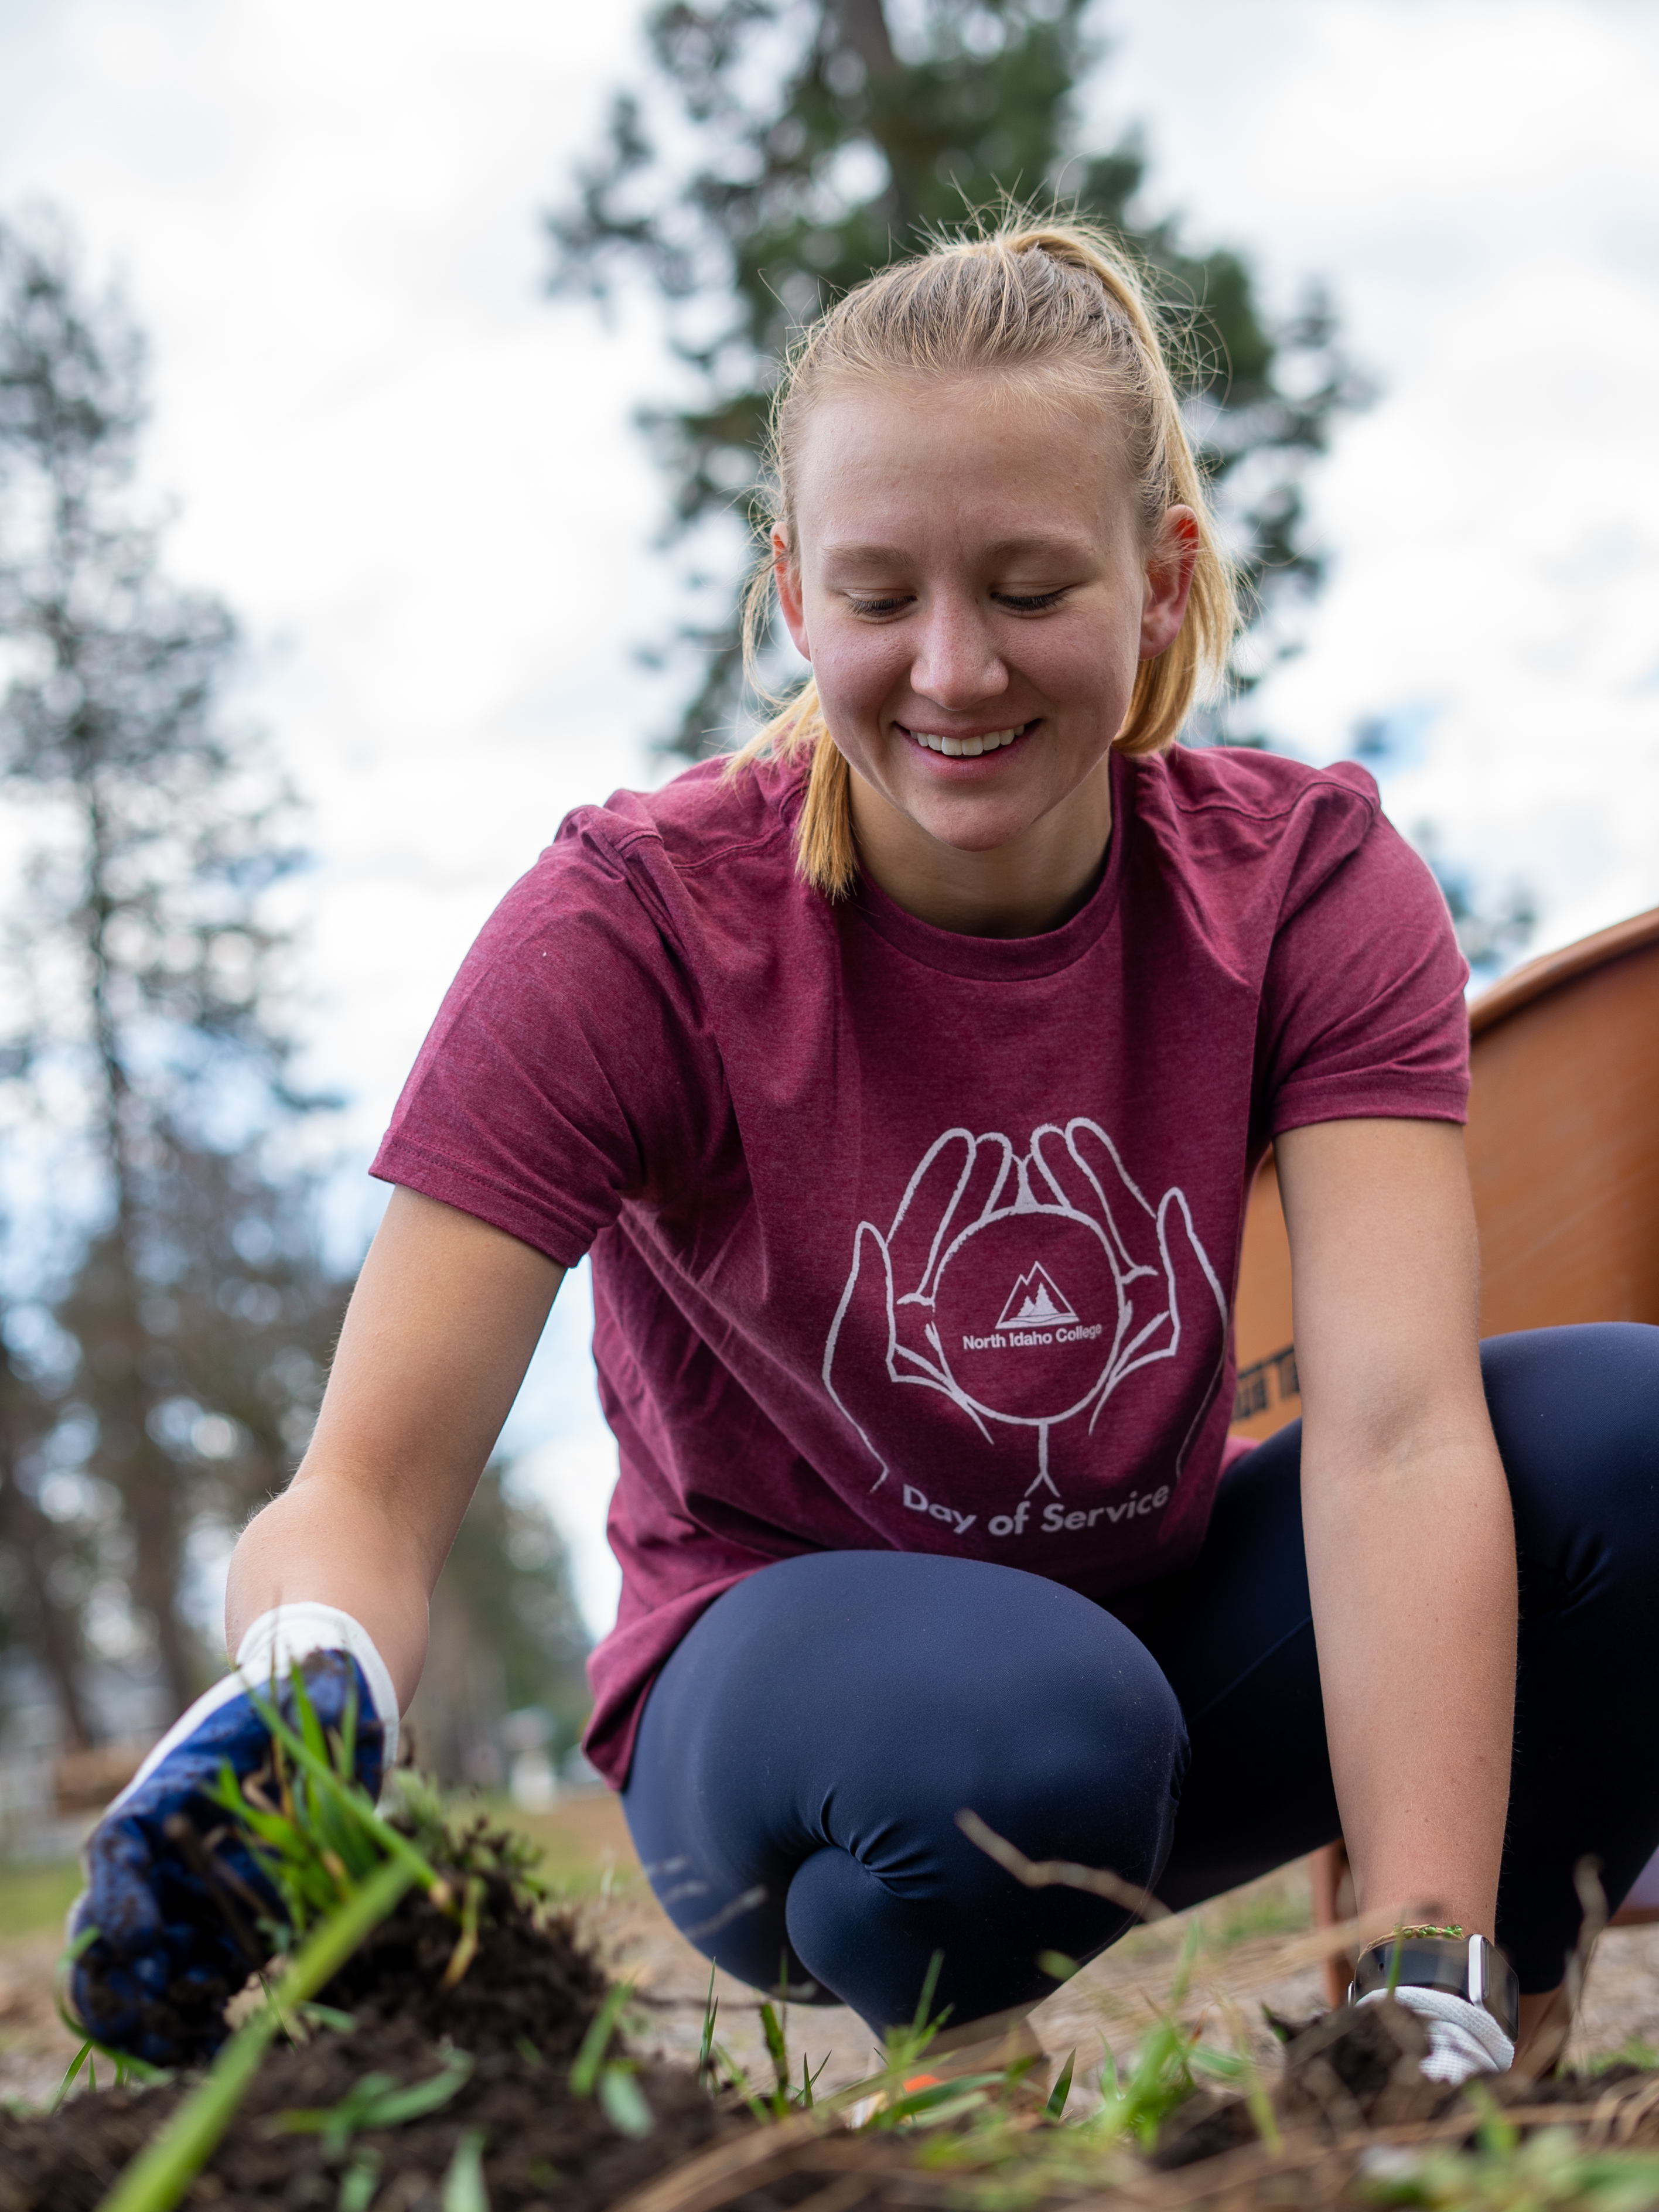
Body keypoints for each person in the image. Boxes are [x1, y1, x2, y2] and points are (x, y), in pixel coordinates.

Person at [70, 217, 1659, 2081]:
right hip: (793, 1712)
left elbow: (1396, 1438)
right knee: (1017, 1732)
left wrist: (1417, 1951)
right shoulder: (634, 933)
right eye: (882, 593)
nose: (956, 669)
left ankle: (1464, 2060)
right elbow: (370, 1487)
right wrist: (309, 1675)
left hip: (1160, 1650)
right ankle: (954, 2078)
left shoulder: (1305, 890)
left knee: (1631, 1447)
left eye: (1028, 584)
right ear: (795, 593)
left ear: (1162, 584)